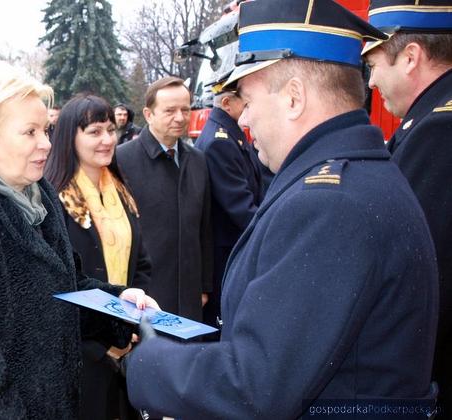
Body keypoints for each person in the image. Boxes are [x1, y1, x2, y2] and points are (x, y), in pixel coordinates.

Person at [125, 1, 439, 418]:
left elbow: (255, 386)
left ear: (293, 98)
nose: (246, 118)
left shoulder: (329, 204)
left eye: (249, 100)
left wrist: (149, 361)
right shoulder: (347, 180)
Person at [0, 61, 157, 419]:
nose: (46, 143)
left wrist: (120, 303)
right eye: (30, 132)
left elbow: (68, 288)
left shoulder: (40, 200)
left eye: (46, 129)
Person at [362, 0, 452, 411]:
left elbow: (418, 271)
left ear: (411, 57)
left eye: (375, 64)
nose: (371, 82)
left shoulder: (437, 131)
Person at [45, 94, 152, 420]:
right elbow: (57, 286)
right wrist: (101, 342)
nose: (107, 140)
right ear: (69, 138)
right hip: (81, 354)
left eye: (110, 129)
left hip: (128, 344)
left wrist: (135, 320)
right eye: (94, 132)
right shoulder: (54, 200)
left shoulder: (121, 190)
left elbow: (142, 263)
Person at [116, 77, 213, 322]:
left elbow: (205, 227)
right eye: (170, 111)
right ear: (148, 114)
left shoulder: (198, 160)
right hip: (145, 296)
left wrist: (204, 285)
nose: (180, 117)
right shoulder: (122, 160)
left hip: (189, 294)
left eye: (185, 109)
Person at [194, 70, 266, 331]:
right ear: (226, 103)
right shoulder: (219, 142)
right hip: (227, 249)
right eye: (244, 103)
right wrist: (271, 228)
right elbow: (239, 206)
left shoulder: (229, 133)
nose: (248, 110)